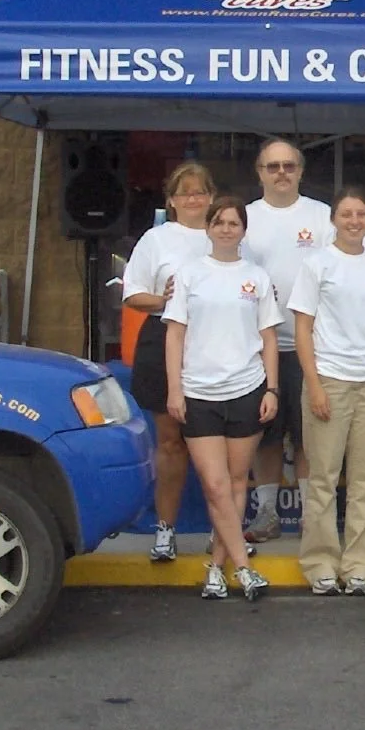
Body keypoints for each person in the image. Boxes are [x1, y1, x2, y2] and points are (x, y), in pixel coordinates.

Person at [162, 195, 281, 603]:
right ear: (209, 228)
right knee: (214, 486)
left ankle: (216, 567)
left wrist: (272, 388)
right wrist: (175, 388)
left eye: (234, 223)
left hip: (247, 390)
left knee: (234, 484)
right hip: (198, 393)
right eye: (220, 222)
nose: (227, 229)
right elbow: (175, 333)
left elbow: (268, 338)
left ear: (243, 231)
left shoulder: (257, 277)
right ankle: (245, 570)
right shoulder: (190, 274)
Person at [289, 188, 365, 596]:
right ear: (334, 220)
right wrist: (314, 384)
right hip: (331, 379)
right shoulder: (317, 264)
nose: (354, 221)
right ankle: (319, 561)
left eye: (360, 214)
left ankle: (359, 564)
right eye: (347, 214)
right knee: (324, 477)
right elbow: (303, 327)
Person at [120, 162, 216, 564]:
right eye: (185, 192)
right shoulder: (155, 240)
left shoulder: (228, 235)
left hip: (216, 344)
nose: (193, 199)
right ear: (172, 200)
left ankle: (222, 532)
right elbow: (131, 295)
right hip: (163, 340)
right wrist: (165, 300)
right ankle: (166, 530)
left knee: (219, 448)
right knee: (171, 442)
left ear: (211, 197)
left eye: (200, 192)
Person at [242, 138, 333, 541]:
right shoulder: (243, 219)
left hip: (311, 347)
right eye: (272, 166)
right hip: (258, 348)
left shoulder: (321, 216)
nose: (281, 173)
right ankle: (266, 513)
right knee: (266, 434)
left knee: (309, 435)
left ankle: (313, 517)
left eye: (289, 166)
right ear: (259, 172)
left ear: (300, 171)